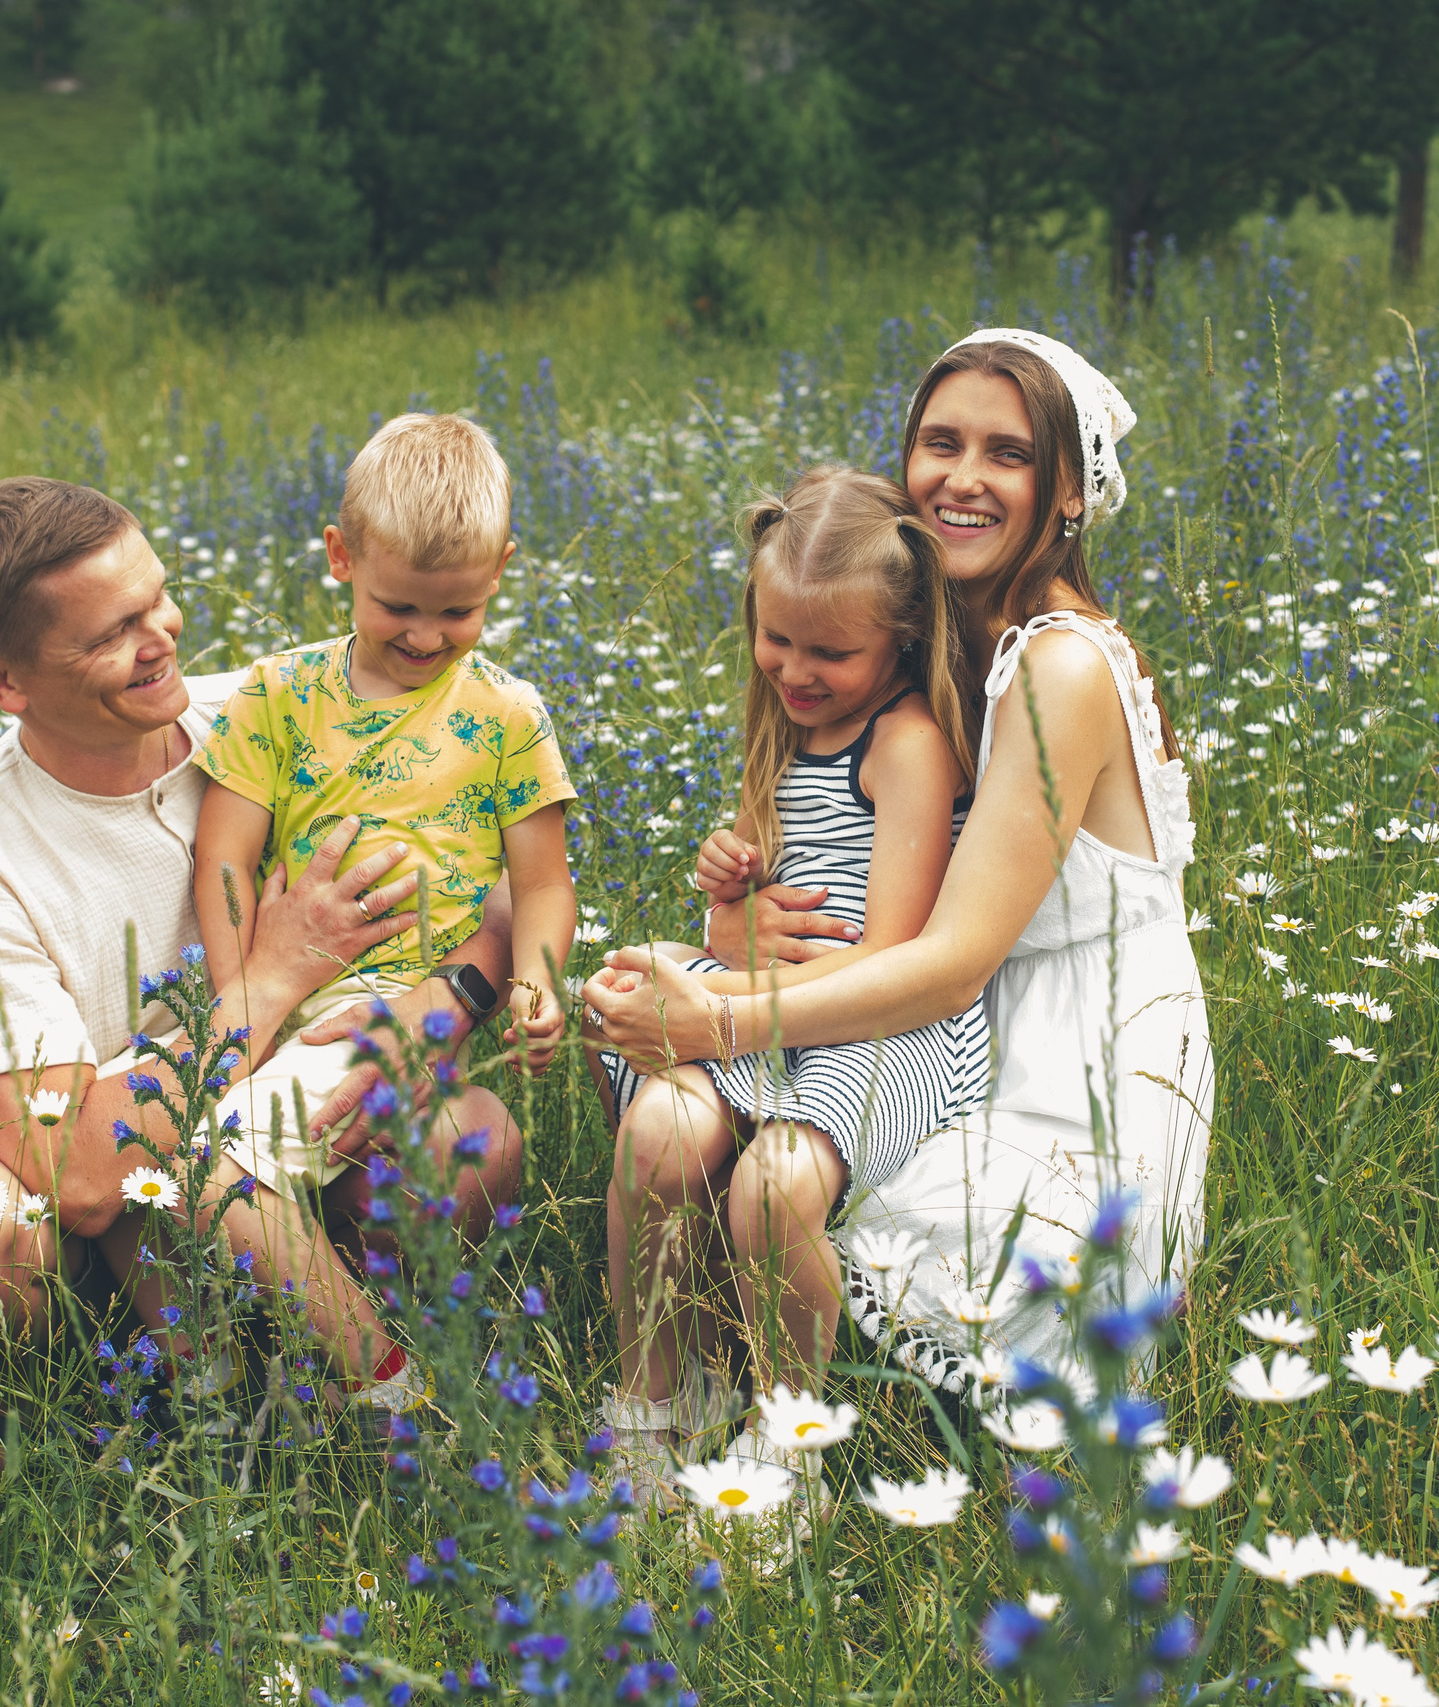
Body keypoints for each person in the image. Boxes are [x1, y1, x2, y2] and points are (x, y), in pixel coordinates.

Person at [585, 328, 1211, 1397]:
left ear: (1070, 489)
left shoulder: (1060, 666)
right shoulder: (920, 635)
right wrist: (738, 926)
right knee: (671, 1080)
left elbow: (951, 963)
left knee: (877, 1250)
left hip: (1066, 1062)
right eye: (941, 442)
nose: (963, 478)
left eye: (1008, 454)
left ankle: (779, 1405)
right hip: (932, 1002)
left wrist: (720, 1015)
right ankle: (684, 1370)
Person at [0, 475, 522, 1416]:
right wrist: (270, 978)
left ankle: (305, 1358)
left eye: (158, 598)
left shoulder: (273, 713)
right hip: (85, 1222)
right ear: (2, 681)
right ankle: (91, 1396)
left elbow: (494, 888)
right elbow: (79, 1172)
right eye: (112, 633)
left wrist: (443, 1006)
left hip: (297, 1121)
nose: (163, 637)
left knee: (471, 1138)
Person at [597, 466, 990, 1490]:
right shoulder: (782, 725)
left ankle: (789, 1443)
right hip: (769, 1005)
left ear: (903, 634)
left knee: (773, 1189)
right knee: (658, 1133)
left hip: (883, 1024)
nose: (796, 670)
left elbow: (892, 956)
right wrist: (727, 893)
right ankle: (659, 1400)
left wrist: (705, 994)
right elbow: (756, 917)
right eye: (777, 639)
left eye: (831, 652)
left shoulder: (907, 743)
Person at [193, 412, 576, 1246]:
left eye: (459, 610)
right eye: (397, 605)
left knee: (241, 1161)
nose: (425, 636)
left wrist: (536, 985)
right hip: (280, 990)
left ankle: (314, 1279)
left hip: (409, 1013)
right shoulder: (277, 694)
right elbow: (224, 855)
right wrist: (239, 1012)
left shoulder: (508, 715)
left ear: (501, 571)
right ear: (342, 557)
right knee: (226, 1161)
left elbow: (545, 882)